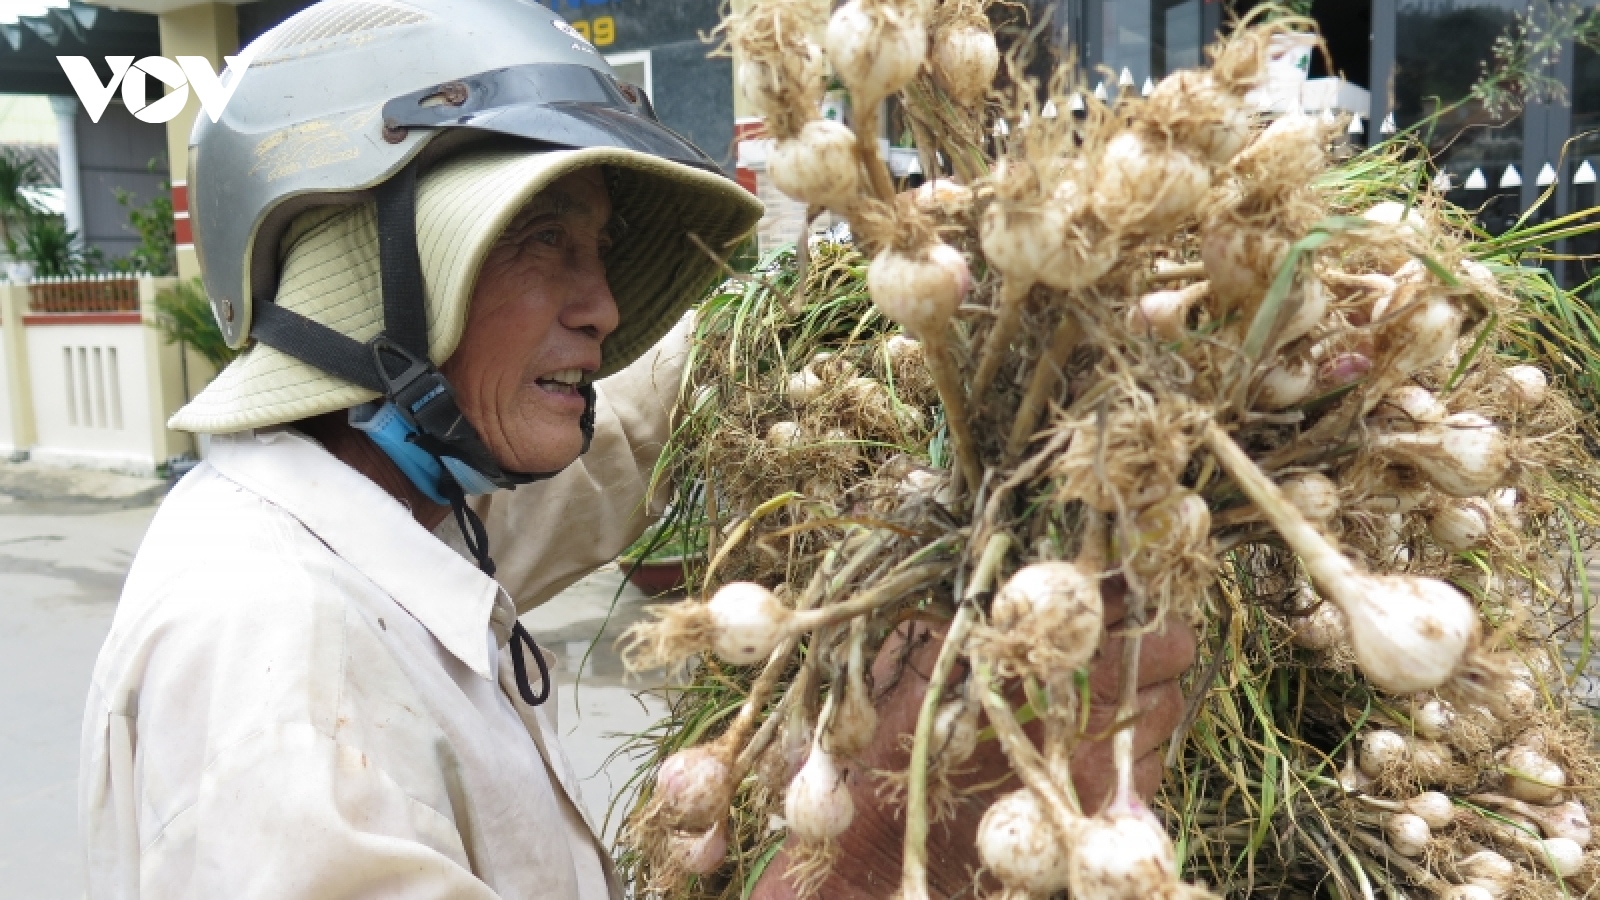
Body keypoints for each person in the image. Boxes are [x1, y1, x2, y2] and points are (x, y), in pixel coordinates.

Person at [79, 2, 1195, 898]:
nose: (605, 307)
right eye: (540, 244)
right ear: (366, 270)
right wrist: (878, 839)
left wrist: (878, 282)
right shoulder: (270, 649)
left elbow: (611, 443)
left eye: (601, 251)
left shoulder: (380, 515)